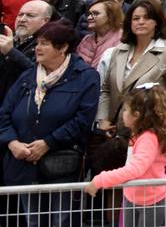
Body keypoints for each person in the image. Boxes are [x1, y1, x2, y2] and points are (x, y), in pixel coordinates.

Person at [0, 21, 99, 224]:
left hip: (61, 164)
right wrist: (12, 142)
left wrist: (48, 143)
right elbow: (4, 114)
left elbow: (82, 120)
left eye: (44, 43)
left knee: (61, 220)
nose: (37, 48)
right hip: (23, 162)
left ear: (62, 47)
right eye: (37, 43)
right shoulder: (27, 76)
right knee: (32, 221)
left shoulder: (86, 77)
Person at [85, 84, 166, 226]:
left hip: (152, 200)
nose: (122, 114)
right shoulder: (137, 134)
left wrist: (101, 180)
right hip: (133, 195)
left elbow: (135, 169)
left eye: (125, 110)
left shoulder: (148, 138)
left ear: (136, 115)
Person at [98, 0, 166, 139]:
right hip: (113, 130)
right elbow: (106, 89)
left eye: (147, 18)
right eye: (136, 18)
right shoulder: (119, 50)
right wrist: (103, 119)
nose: (141, 22)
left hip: (147, 133)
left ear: (157, 21)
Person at [76, 0, 123, 67]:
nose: (89, 17)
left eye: (95, 13)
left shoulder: (122, 40)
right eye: (89, 14)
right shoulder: (86, 39)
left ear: (110, 16)